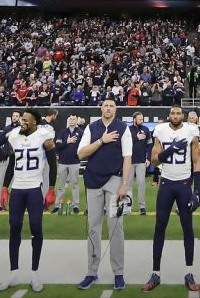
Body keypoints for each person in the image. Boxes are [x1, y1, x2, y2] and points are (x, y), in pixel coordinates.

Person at [0, 108, 57, 292]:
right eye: (22, 119)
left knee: (36, 227)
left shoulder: (44, 135)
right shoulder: (14, 136)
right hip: (18, 189)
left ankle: (34, 273)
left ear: (35, 122)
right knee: (14, 227)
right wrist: (5, 187)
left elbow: (53, 163)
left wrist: (51, 188)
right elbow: (12, 162)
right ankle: (13, 273)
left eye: (26, 120)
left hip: (34, 188)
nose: (23, 122)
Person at [143, 105, 200, 292]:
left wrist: (197, 191)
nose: (175, 116)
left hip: (184, 184)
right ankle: (155, 273)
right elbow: (154, 160)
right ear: (169, 115)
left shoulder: (191, 130)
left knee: (187, 228)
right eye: (173, 113)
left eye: (178, 113)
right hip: (166, 184)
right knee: (159, 226)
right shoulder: (160, 130)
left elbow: (196, 161)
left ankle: (189, 271)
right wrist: (172, 149)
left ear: (183, 116)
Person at [76, 98, 133, 291]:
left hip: (116, 180)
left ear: (115, 109)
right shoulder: (92, 128)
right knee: (93, 227)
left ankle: (118, 273)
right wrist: (102, 140)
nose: (108, 108)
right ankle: (92, 272)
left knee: (116, 228)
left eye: (111, 106)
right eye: (106, 105)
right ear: (101, 108)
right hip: (93, 181)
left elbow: (127, 158)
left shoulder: (123, 128)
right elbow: (81, 154)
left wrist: (125, 185)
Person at [53, 114, 82, 214]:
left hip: (75, 162)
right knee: (61, 185)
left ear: (77, 121)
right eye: (70, 119)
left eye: (74, 119)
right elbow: (57, 145)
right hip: (63, 162)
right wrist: (67, 141)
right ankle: (57, 205)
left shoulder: (80, 132)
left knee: (74, 184)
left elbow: (83, 146)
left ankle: (75, 206)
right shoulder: (63, 132)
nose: (72, 120)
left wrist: (79, 156)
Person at [127, 112, 152, 216]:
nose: (142, 121)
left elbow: (150, 145)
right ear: (134, 119)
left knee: (141, 184)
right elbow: (125, 143)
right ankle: (128, 207)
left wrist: (148, 158)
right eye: (140, 119)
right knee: (128, 185)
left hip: (141, 161)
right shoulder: (128, 130)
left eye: (142, 119)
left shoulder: (146, 129)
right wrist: (136, 138)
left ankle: (142, 206)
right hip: (129, 161)